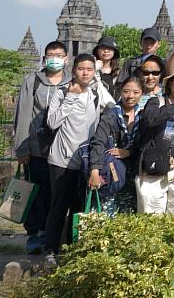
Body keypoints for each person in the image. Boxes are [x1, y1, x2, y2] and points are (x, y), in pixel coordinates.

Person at [44, 54, 114, 262]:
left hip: (86, 160)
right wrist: (71, 98)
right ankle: (51, 250)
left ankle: (72, 249)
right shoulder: (61, 92)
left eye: (89, 69)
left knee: (79, 206)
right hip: (62, 159)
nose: (85, 73)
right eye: (81, 69)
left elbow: (112, 107)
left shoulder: (95, 93)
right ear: (73, 70)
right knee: (59, 206)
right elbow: (52, 122)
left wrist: (99, 83)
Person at [12, 40, 72, 255]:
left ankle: (50, 233)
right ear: (44, 59)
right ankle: (32, 234)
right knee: (35, 192)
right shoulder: (33, 81)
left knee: (55, 193)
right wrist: (22, 148)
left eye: (59, 55)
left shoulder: (71, 82)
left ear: (66, 58)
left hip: (63, 149)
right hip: (36, 147)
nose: (54, 58)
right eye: (50, 55)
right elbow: (23, 115)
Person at [135, 65, 174, 216]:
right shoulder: (157, 101)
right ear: (170, 83)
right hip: (152, 170)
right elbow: (150, 119)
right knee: (151, 218)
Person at [88, 76, 143, 216]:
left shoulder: (144, 116)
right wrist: (94, 171)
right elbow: (98, 142)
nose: (130, 96)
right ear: (120, 92)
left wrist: (129, 152)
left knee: (128, 217)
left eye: (136, 92)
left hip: (133, 173)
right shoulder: (110, 114)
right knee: (105, 215)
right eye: (126, 91)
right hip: (110, 172)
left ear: (142, 94)